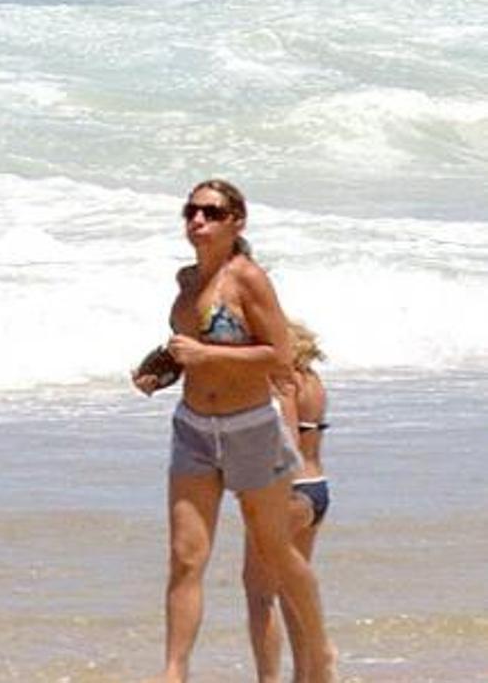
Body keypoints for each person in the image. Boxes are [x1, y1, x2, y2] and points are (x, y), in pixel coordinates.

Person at [132, 179, 335, 683]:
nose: (197, 221)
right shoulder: (185, 282)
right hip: (194, 428)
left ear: (236, 222)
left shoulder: (248, 279)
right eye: (191, 211)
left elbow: (280, 355)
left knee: (274, 553)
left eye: (211, 212)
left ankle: (321, 654)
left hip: (250, 428)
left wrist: (206, 355)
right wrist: (163, 369)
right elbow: (186, 346)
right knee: (185, 557)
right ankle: (173, 672)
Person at [244, 321, 331, 683]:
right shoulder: (313, 381)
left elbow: (287, 439)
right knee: (292, 591)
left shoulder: (283, 382)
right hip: (317, 489)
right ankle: (306, 676)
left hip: (286, 493)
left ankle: (269, 680)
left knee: (259, 592)